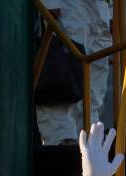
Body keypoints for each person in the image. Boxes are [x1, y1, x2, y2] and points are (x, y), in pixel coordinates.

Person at [37, 0, 112, 145]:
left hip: (100, 9)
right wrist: (50, 3)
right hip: (69, 6)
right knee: (62, 80)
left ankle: (91, 144)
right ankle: (61, 143)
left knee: (93, 90)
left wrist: (111, 13)